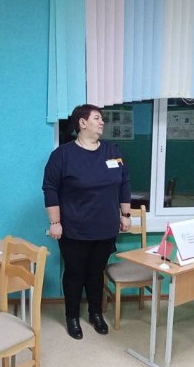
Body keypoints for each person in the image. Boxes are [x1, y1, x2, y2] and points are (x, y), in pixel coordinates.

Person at [43, 104, 132, 340]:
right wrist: (55, 222)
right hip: (74, 228)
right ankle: (72, 317)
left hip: (105, 227)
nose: (102, 122)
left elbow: (124, 183)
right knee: (75, 273)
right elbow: (50, 189)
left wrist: (125, 215)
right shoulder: (62, 155)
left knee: (96, 272)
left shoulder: (112, 151)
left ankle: (95, 314)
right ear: (82, 123)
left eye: (101, 119)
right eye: (97, 118)